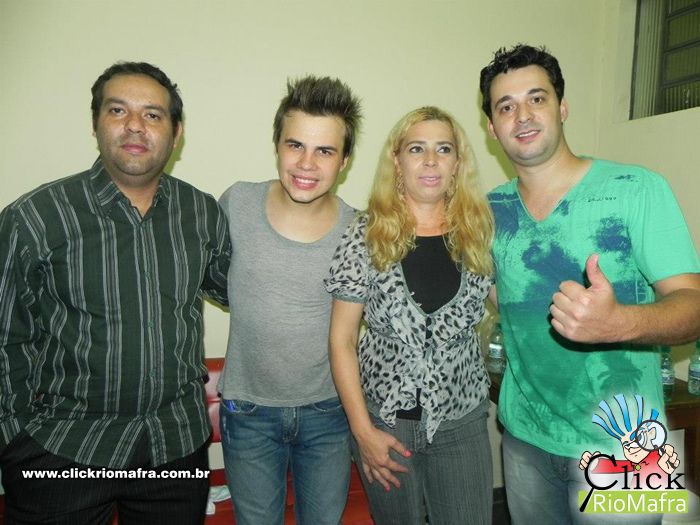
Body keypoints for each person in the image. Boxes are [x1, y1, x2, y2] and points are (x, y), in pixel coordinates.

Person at [0, 62, 231, 524]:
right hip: (63, 450)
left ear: (176, 133)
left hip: (174, 450)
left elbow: (239, 290)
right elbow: (7, 337)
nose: (135, 125)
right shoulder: (35, 218)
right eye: (118, 110)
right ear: (96, 123)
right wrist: (15, 439)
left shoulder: (201, 212)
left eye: (153, 114)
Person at [479, 44, 700, 525]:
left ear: (562, 107)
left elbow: (693, 306)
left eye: (537, 98)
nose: (522, 115)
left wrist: (619, 322)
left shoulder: (636, 189)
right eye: (506, 106)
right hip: (525, 437)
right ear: (492, 128)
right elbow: (503, 297)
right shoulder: (488, 211)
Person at [327, 106, 495, 525]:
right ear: (397, 160)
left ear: (458, 163)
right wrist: (363, 432)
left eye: (444, 149)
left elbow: (517, 307)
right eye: (417, 149)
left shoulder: (479, 232)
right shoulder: (365, 233)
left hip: (462, 422)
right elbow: (342, 341)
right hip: (386, 425)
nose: (431, 160)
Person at [217, 75, 362, 525]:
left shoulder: (358, 230)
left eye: (325, 151)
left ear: (344, 161)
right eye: (295, 145)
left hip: (328, 413)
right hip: (248, 413)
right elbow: (215, 280)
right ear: (277, 145)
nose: (306, 163)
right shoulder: (237, 203)